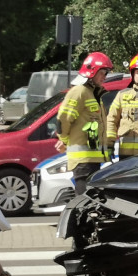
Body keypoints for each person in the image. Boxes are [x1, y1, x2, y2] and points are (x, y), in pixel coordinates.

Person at [55, 51, 113, 196]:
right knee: (83, 201)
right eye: (102, 73)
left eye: (106, 73)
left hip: (92, 159)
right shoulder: (79, 91)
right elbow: (63, 120)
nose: (104, 77)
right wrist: (64, 140)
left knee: (90, 201)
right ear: (91, 71)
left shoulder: (93, 94)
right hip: (83, 160)